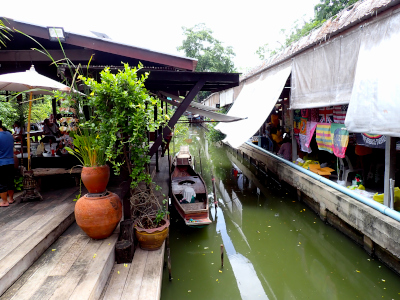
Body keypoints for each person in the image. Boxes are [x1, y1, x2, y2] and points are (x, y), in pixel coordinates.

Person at [0, 120, 15, 207]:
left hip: (1, 162)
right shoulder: (9, 135)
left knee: (2, 182)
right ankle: (11, 199)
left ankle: (4, 201)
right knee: (10, 180)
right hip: (11, 161)